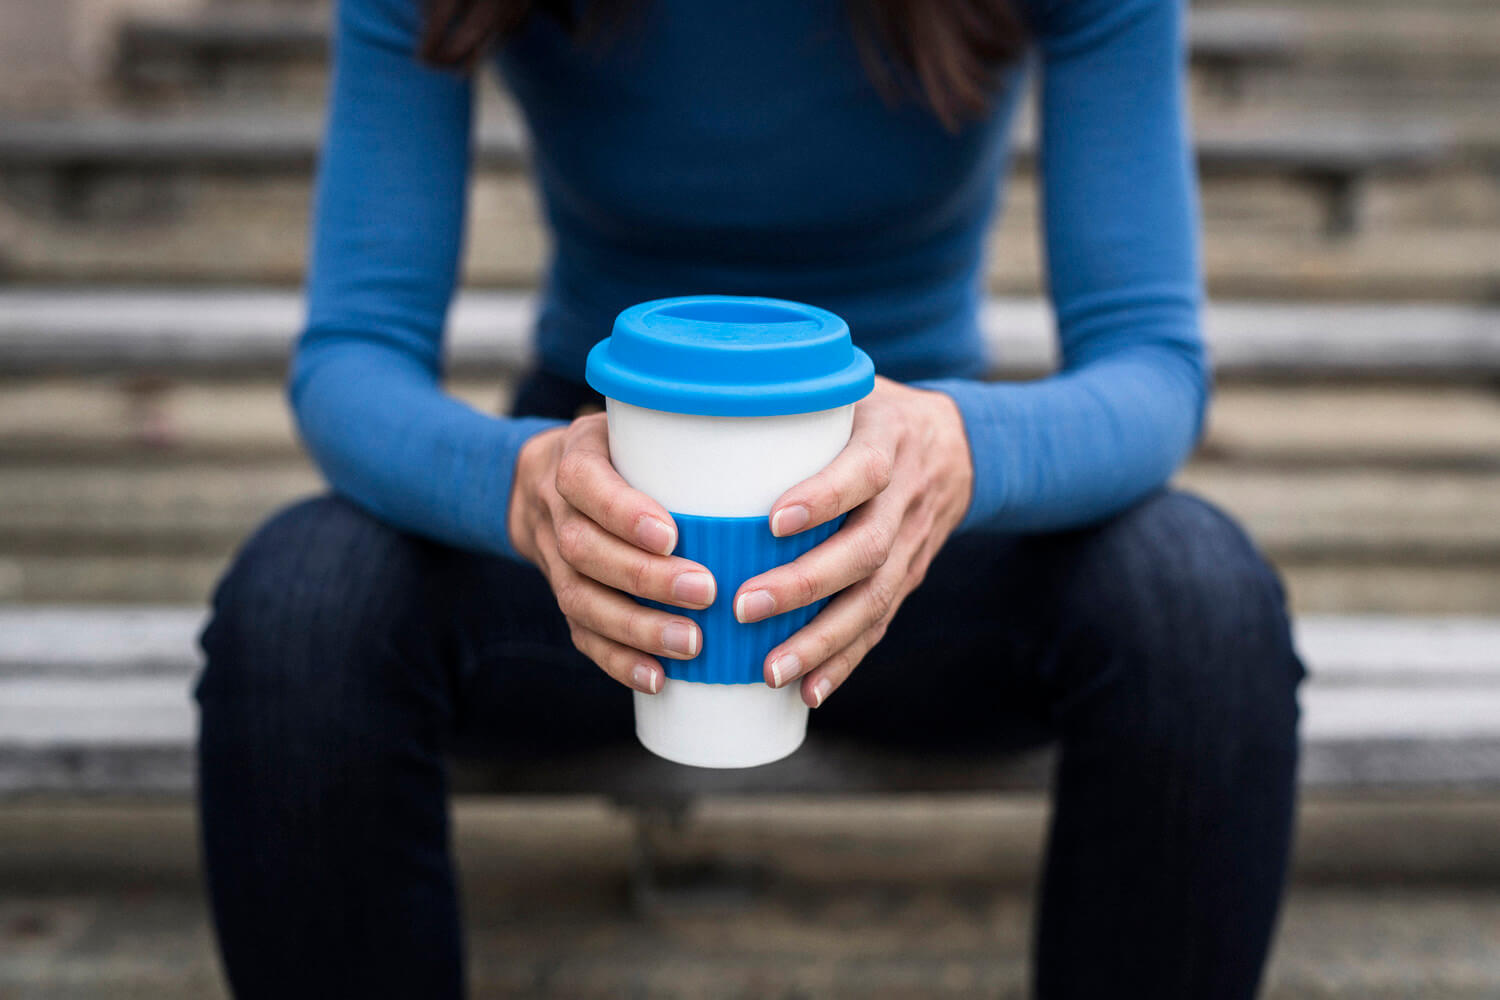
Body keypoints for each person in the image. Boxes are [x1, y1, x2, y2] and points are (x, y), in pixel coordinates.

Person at [195, 0, 1305, 996]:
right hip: (597, 532)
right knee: (303, 600)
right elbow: (354, 356)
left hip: (919, 516)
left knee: (1195, 595)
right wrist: (520, 485)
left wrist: (963, 450)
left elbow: (1154, 364)